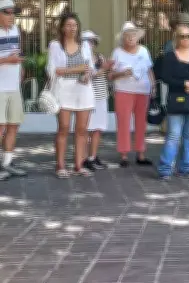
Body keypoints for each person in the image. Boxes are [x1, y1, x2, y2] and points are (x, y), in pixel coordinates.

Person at [157, 24, 189, 180]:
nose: (185, 39)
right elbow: (165, 77)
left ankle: (186, 167)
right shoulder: (170, 57)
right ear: (176, 38)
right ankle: (165, 168)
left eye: (188, 36)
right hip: (176, 100)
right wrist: (184, 83)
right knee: (173, 135)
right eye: (182, 36)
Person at [47, 13, 95, 178]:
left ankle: (78, 165)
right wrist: (76, 69)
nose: (72, 28)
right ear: (62, 27)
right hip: (63, 89)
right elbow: (53, 70)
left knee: (82, 129)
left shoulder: (85, 45)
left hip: (83, 89)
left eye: (74, 25)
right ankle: (60, 165)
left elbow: (90, 67)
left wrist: (86, 74)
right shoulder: (55, 45)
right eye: (68, 25)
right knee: (64, 128)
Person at [111, 22, 156, 168]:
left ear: (137, 37)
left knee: (141, 122)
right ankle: (124, 155)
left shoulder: (144, 50)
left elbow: (149, 70)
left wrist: (153, 86)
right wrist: (122, 73)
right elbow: (110, 75)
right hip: (123, 91)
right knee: (123, 122)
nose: (131, 38)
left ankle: (141, 154)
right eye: (128, 35)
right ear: (123, 37)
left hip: (143, 90)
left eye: (133, 35)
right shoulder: (117, 52)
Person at [0, 0, 26, 181]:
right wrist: (8, 60)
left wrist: (20, 67)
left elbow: (17, 51)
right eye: (7, 12)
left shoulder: (16, 30)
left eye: (13, 13)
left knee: (13, 125)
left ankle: (7, 163)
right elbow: (9, 58)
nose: (11, 16)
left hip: (14, 87)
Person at [82, 30, 113, 171]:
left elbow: (106, 74)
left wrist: (109, 68)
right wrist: (103, 69)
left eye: (92, 41)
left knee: (98, 128)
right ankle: (83, 158)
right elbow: (87, 76)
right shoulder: (82, 58)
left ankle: (92, 157)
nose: (91, 44)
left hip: (101, 96)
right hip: (87, 97)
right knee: (86, 129)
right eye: (87, 41)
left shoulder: (100, 57)